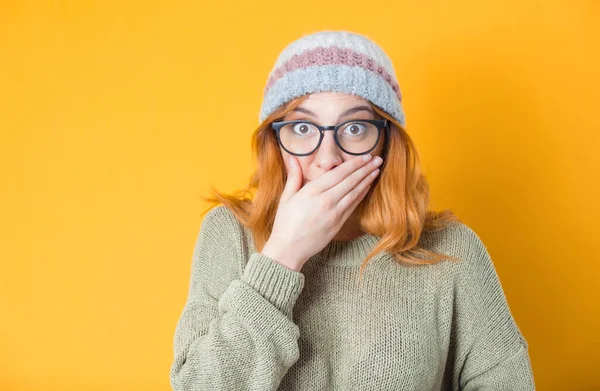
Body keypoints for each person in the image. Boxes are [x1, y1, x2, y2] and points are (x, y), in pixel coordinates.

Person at [169, 30, 536, 390]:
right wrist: (282, 257)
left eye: (355, 128)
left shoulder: (451, 251)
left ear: (386, 144)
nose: (327, 158)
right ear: (274, 142)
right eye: (301, 127)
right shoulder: (230, 233)